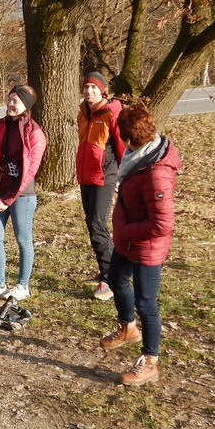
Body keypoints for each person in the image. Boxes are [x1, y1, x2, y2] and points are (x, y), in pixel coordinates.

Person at [98, 104, 181, 386]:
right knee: (115, 279)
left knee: (146, 303)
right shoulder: (138, 156)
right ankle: (127, 328)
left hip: (146, 245)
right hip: (128, 239)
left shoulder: (156, 172)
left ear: (127, 137)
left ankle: (150, 362)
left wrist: (127, 231)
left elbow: (162, 224)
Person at [0, 84, 47, 302]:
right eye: (9, 99)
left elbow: (30, 170)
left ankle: (23, 286)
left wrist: (9, 199)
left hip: (21, 196)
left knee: (23, 240)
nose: (10, 104)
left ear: (26, 105)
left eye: (15, 101)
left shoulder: (35, 133)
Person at [76, 71, 125, 301]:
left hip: (105, 176)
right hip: (86, 176)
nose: (89, 91)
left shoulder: (111, 112)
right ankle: (108, 269)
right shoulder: (83, 113)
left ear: (103, 90)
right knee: (92, 224)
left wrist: (123, 177)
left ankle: (111, 278)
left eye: (94, 88)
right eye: (86, 87)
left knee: (98, 225)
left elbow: (122, 146)